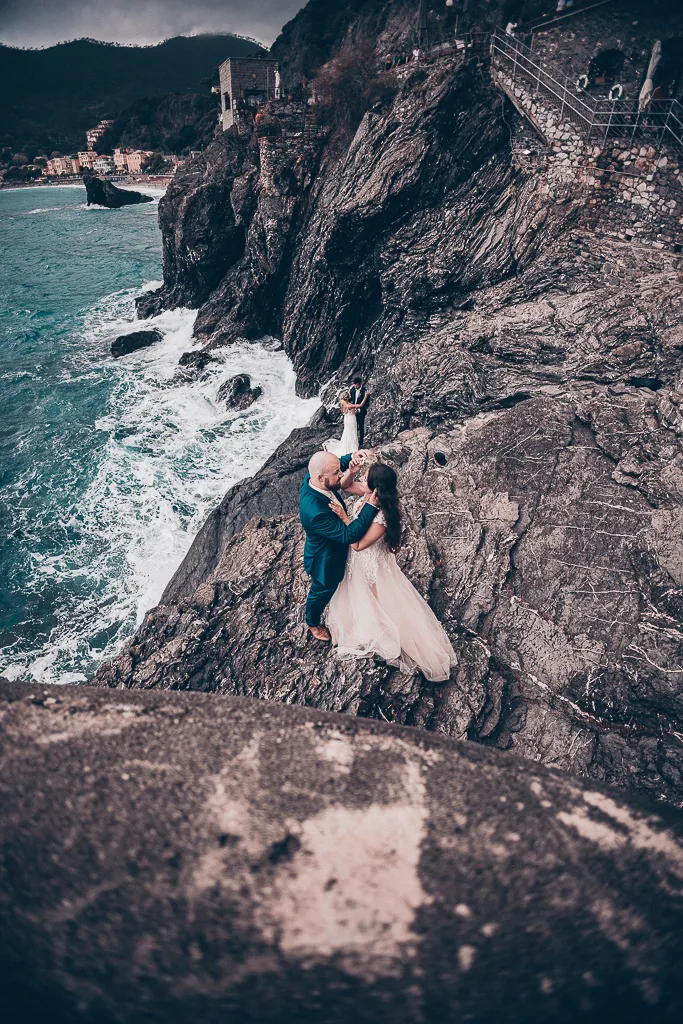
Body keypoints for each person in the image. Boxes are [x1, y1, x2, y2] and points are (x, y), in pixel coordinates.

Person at [326, 461, 457, 682]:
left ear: (375, 487)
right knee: (361, 598)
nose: (362, 478)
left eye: (365, 476)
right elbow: (346, 486)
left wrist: (343, 517)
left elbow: (357, 545)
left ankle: (397, 639)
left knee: (380, 602)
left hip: (369, 563)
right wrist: (352, 472)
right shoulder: (372, 495)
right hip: (357, 562)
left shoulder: (382, 517)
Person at [299, 450, 379, 641]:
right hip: (325, 560)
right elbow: (348, 535)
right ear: (320, 477)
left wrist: (352, 456)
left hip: (335, 549)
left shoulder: (312, 478)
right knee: (321, 591)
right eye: (336, 474)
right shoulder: (316, 512)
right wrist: (371, 506)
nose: (341, 475)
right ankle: (312, 623)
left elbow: (336, 464)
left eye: (338, 471)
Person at [323, 390, 359, 457]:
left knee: (347, 432)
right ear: (348, 398)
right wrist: (365, 396)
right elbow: (358, 407)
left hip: (346, 419)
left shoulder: (342, 403)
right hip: (351, 419)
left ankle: (347, 446)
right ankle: (352, 448)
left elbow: (346, 411)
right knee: (352, 432)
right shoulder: (349, 405)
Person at [350, 377, 369, 446]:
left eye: (357, 385)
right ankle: (354, 440)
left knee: (361, 426)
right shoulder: (352, 389)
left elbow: (367, 404)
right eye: (354, 384)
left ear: (360, 384)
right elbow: (350, 399)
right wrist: (352, 408)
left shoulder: (365, 391)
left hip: (361, 412)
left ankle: (361, 442)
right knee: (353, 426)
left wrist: (358, 410)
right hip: (352, 411)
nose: (355, 386)